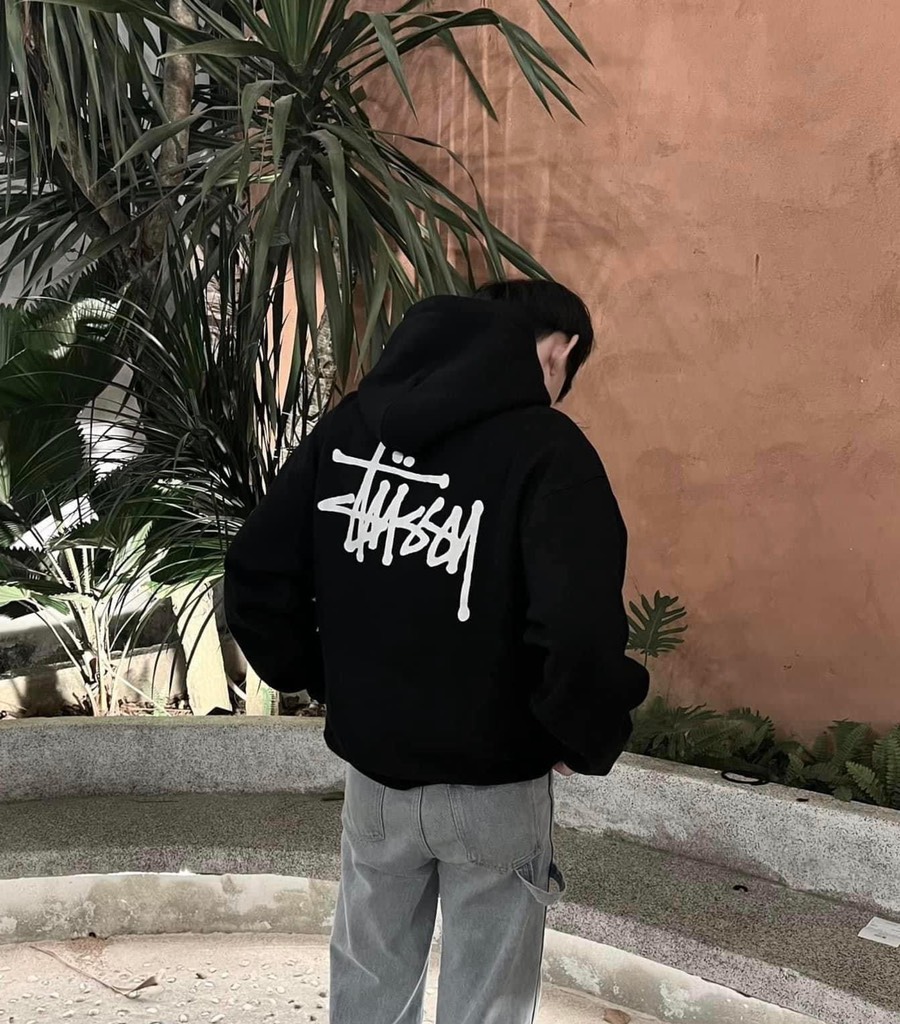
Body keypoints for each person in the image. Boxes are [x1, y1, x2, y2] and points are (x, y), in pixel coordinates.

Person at [224, 279, 650, 1024]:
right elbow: (578, 629)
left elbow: (255, 577)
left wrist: (323, 680)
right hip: (497, 784)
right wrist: (579, 735)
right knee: (487, 999)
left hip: (376, 779)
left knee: (369, 979)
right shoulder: (549, 451)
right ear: (559, 350)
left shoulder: (349, 429)